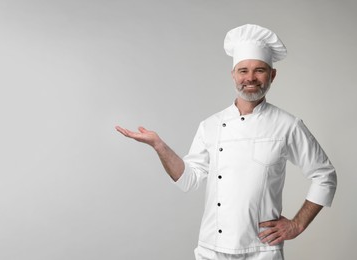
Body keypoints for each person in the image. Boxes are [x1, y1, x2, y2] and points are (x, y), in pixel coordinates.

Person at [115, 24, 337, 260]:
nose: (250, 78)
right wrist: (159, 146)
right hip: (211, 248)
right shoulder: (210, 125)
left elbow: (325, 174)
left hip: (262, 250)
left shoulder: (288, 125)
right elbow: (188, 179)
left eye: (259, 70)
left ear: (272, 75)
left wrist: (297, 224)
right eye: (243, 71)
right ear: (233, 75)